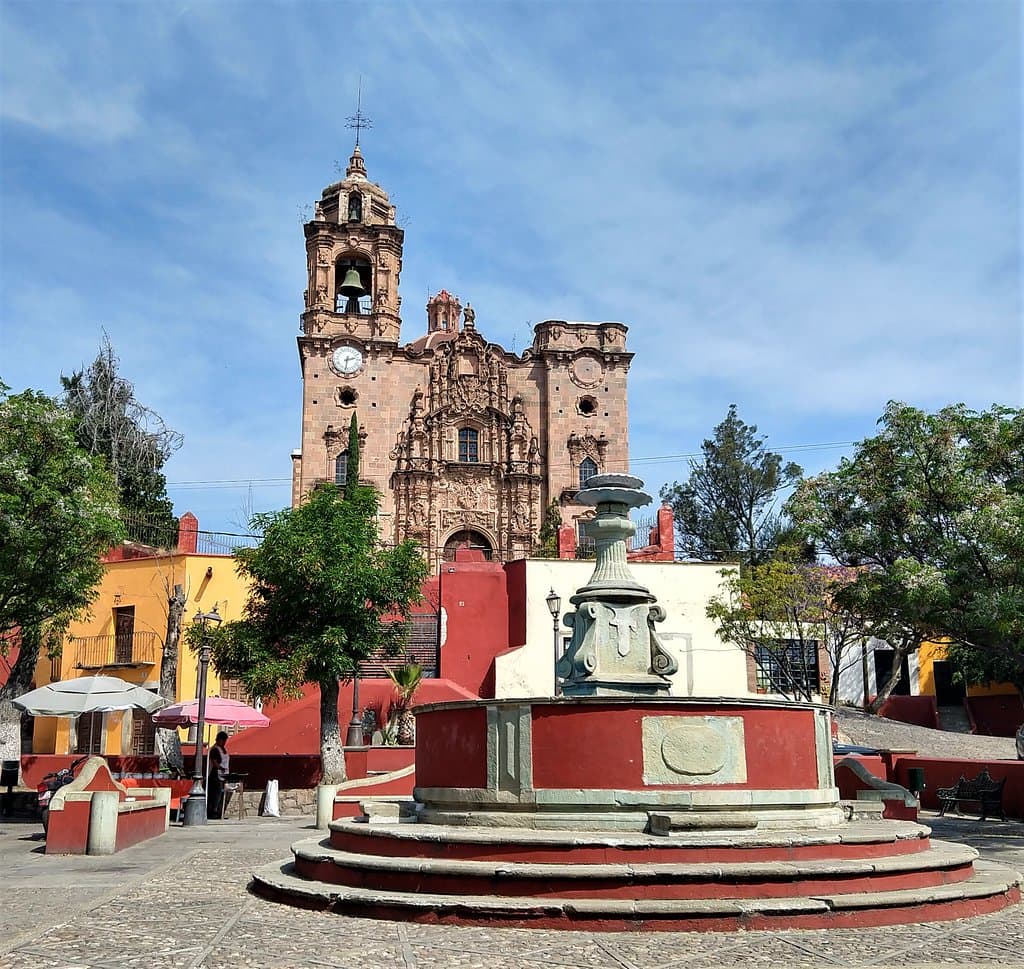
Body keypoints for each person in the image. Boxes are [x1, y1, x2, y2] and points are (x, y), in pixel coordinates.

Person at [207, 731, 230, 820]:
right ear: (219, 740)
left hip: (223, 774)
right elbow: (215, 762)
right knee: (215, 794)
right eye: (223, 740)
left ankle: (217, 810)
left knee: (219, 794)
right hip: (215, 775)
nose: (224, 742)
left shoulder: (223, 749)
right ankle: (212, 811)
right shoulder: (214, 749)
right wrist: (221, 768)